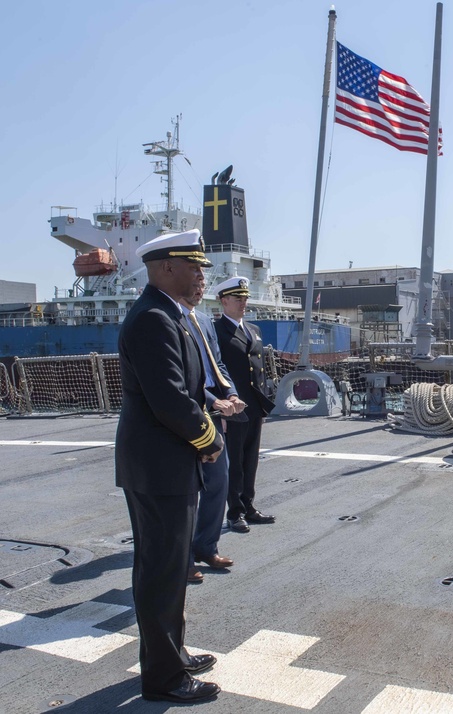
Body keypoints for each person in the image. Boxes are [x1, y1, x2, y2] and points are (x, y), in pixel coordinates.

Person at [116, 229, 223, 703]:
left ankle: (171, 654)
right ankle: (164, 678)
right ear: (166, 269)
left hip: (166, 465)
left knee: (171, 566)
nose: (203, 277)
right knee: (161, 571)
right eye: (195, 267)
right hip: (159, 467)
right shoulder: (154, 319)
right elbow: (170, 400)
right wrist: (209, 438)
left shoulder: (171, 316)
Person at [180, 286, 247, 583]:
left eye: (201, 283)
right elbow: (180, 377)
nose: (198, 287)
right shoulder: (170, 320)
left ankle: (206, 546)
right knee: (186, 491)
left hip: (212, 415)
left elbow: (217, 365)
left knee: (219, 480)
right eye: (193, 279)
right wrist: (211, 399)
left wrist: (231, 394)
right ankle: (182, 560)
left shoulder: (204, 321)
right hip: (186, 412)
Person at [214, 277, 276, 533]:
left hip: (253, 405)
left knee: (251, 458)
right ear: (223, 301)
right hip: (233, 406)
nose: (243, 303)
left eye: (245, 298)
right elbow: (216, 370)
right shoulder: (216, 332)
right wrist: (222, 411)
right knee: (235, 461)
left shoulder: (253, 330)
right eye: (238, 299)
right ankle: (235, 511)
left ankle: (248, 505)